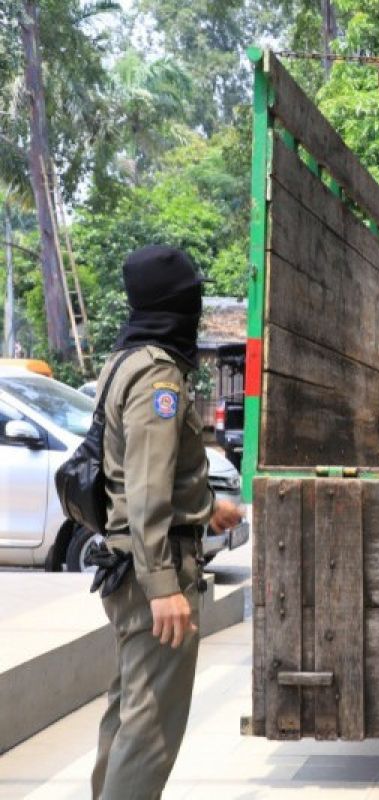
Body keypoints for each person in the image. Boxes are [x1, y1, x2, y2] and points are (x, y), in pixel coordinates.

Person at [90, 245, 244, 799]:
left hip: (132, 565)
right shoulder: (157, 376)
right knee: (150, 729)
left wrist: (204, 511)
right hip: (151, 573)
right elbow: (146, 487)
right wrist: (162, 587)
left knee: (130, 713)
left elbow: (150, 475)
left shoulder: (124, 361)